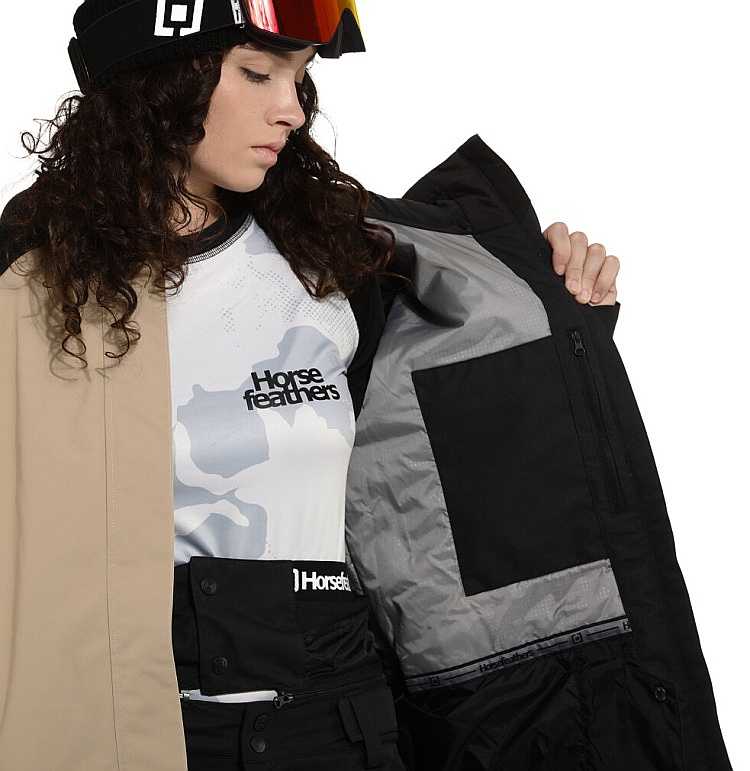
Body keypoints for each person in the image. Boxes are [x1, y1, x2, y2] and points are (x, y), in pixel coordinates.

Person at [2, 2, 726, 771]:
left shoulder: (332, 261)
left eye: (300, 78)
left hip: (342, 726)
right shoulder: (30, 290)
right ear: (158, 78)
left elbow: (448, 460)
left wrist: (552, 311)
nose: (290, 109)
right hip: (141, 729)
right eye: (258, 72)